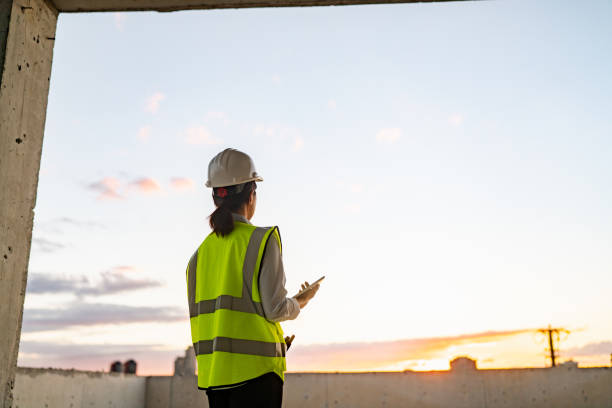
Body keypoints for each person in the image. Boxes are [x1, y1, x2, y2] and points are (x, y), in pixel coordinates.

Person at [186, 148, 320, 408]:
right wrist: (302, 300)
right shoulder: (262, 240)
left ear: (216, 197)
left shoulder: (197, 257)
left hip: (215, 379)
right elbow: (276, 309)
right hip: (257, 378)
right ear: (251, 194)